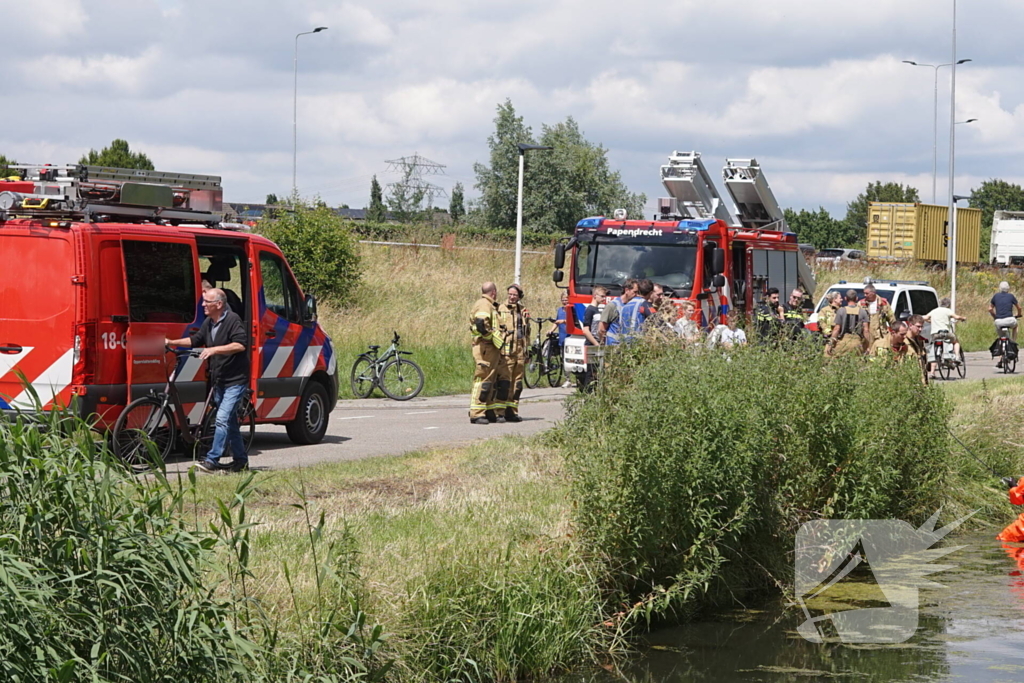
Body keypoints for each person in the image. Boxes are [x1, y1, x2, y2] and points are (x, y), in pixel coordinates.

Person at [165, 288, 249, 473]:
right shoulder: (210, 322)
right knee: (230, 422)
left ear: (219, 304)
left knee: (221, 420)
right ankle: (241, 462)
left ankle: (212, 460)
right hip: (219, 379)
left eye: (206, 302)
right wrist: (171, 342)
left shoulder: (232, 320)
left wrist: (214, 350)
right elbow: (195, 340)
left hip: (236, 380)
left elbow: (240, 344)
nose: (202, 305)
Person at [468, 282, 503, 425]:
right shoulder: (484, 304)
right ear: (493, 292)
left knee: (490, 380)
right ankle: (476, 413)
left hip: (489, 348)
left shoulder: (488, 304)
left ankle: (488, 410)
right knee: (482, 379)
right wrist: (491, 338)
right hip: (485, 347)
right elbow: (481, 324)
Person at [497, 284, 529, 422]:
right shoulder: (500, 309)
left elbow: (527, 333)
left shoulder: (523, 311)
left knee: (517, 384)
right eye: (510, 294)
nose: (511, 297)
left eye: (514, 295)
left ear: (519, 296)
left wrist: (527, 352)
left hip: (520, 352)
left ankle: (512, 411)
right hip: (506, 352)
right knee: (504, 382)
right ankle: (500, 412)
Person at [924, 297, 966, 379]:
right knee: (955, 341)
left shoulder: (934, 311)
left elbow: (925, 318)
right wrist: (963, 318)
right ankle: (957, 357)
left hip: (935, 335)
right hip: (945, 333)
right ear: (948, 304)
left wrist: (931, 321)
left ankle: (932, 372)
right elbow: (956, 317)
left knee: (934, 350)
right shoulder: (947, 311)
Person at [828, 289, 868, 357]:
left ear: (845, 298)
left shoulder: (841, 311)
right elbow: (866, 330)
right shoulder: (863, 312)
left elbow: (836, 329)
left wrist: (830, 344)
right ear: (857, 298)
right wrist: (867, 346)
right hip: (857, 343)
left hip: (843, 342)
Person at [600, 279, 637, 345]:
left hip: (625, 347)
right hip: (612, 346)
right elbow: (601, 329)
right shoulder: (612, 306)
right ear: (627, 290)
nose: (636, 295)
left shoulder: (632, 306)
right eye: (635, 292)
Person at [550, 291, 573, 388]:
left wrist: (563, 321)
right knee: (563, 359)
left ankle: (573, 378)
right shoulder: (559, 310)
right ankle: (567, 379)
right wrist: (551, 330)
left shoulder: (572, 310)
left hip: (570, 337)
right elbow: (556, 322)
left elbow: (573, 322)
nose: (565, 302)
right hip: (562, 337)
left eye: (566, 300)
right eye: (563, 300)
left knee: (570, 359)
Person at [905, 314, 929, 385]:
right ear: (910, 325)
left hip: (921, 381)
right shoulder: (904, 341)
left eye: (922, 327)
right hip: (909, 381)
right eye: (918, 326)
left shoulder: (920, 341)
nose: (920, 329)